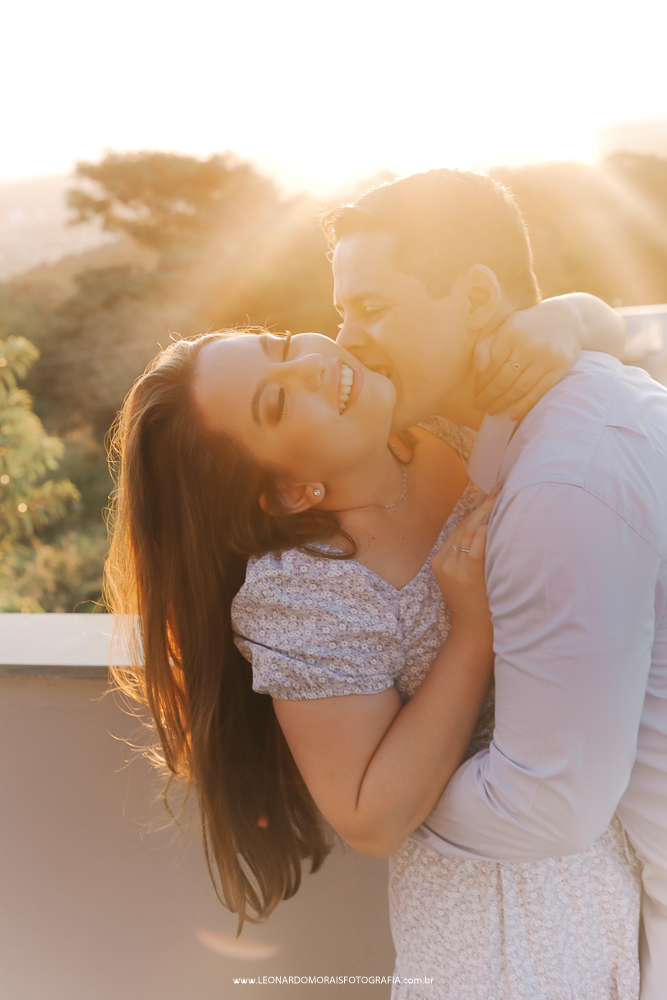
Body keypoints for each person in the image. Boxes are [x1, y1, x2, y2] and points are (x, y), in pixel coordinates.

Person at [106, 304, 637, 997]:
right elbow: (370, 816)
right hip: (501, 935)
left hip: (619, 851)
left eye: (278, 343)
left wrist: (570, 316)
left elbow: (607, 362)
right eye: (277, 401)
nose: (309, 362)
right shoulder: (305, 589)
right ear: (291, 490)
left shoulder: (443, 413)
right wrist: (469, 633)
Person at [327, 168, 667, 999]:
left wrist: (388, 805)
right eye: (340, 313)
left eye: (372, 309)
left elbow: (548, 807)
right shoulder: (570, 400)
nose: (345, 340)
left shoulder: (559, 483)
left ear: (476, 294)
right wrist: (578, 314)